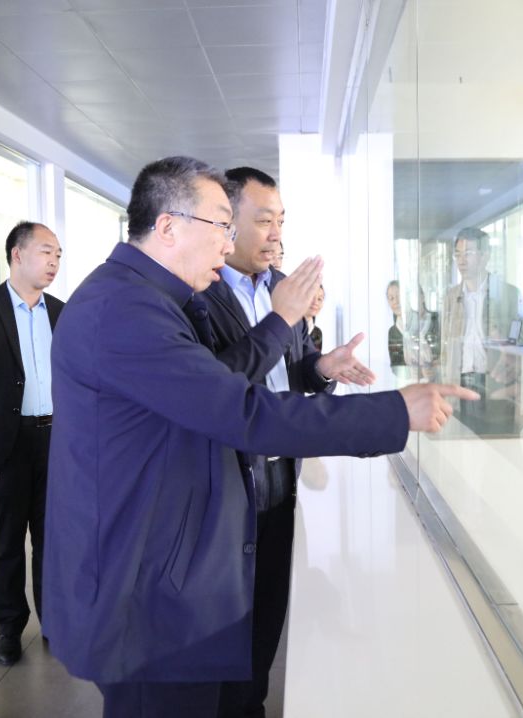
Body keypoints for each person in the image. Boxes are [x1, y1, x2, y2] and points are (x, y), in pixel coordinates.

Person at [42, 156, 474, 718]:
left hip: (166, 565)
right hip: (141, 590)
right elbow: (242, 409)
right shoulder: (125, 310)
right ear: (168, 226)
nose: (229, 243)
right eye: (222, 225)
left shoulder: (154, 297)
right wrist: (394, 411)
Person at [203, 166, 369, 717]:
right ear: (227, 223)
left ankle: (252, 704)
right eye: (264, 221)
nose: (276, 234)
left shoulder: (281, 289)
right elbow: (215, 387)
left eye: (281, 221)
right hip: (229, 484)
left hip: (281, 474)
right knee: (227, 620)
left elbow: (294, 369)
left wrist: (323, 367)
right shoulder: (199, 295)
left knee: (270, 609)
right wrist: (280, 319)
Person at [0, 221, 64, 666]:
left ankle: (54, 621)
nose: (54, 262)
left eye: (58, 255)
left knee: (52, 538)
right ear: (17, 255)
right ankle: (8, 627)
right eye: (46, 252)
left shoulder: (62, 312)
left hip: (56, 438)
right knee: (6, 541)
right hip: (6, 441)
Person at [440, 226, 521, 430]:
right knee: (463, 442)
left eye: (468, 253)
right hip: (459, 383)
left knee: (497, 440)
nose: (461, 261)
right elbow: (445, 345)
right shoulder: (451, 297)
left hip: (495, 383)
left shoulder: (508, 294)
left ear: (485, 256)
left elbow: (520, 343)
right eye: (458, 254)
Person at [387, 280, 406, 366]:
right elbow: (396, 366)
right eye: (391, 298)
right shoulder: (392, 332)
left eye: (399, 296)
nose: (395, 302)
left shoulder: (427, 322)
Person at [307, 285, 324, 352]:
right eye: (311, 297)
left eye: (319, 299)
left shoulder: (317, 333)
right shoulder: (290, 328)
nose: (315, 302)